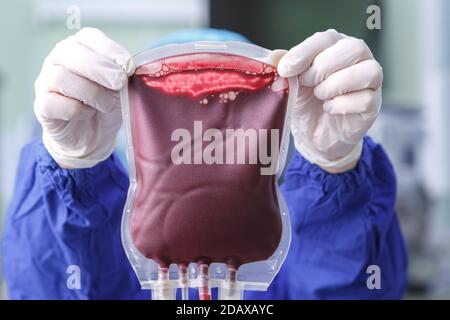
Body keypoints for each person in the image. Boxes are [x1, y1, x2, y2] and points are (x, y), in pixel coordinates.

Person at [2, 27, 407, 299]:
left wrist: (334, 170)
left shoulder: (270, 239)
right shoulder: (129, 236)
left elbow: (355, 287)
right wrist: (73, 169)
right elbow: (45, 284)